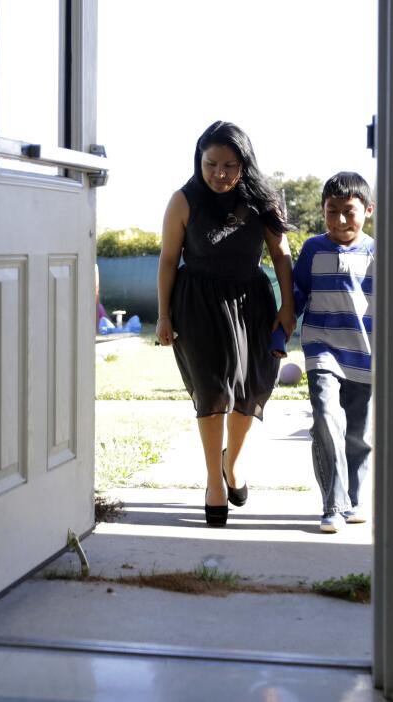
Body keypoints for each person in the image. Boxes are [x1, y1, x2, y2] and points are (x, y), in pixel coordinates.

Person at [156, 121, 296, 527]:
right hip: (197, 304)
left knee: (251, 389)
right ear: (199, 161)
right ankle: (213, 484)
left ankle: (231, 466)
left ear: (244, 164)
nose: (219, 173)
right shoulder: (183, 200)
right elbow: (168, 260)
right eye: (211, 163)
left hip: (251, 303)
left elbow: (281, 255)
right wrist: (163, 315)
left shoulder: (262, 201)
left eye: (229, 165)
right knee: (213, 391)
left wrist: (287, 307)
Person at [291, 172, 376, 533]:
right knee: (326, 419)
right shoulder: (312, 249)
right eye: (332, 211)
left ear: (367, 210)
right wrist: (277, 336)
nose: (340, 220)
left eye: (349, 212)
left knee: (358, 434)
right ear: (323, 210)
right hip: (321, 349)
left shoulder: (376, 252)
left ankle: (353, 500)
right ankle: (333, 504)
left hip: (365, 354)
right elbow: (297, 293)